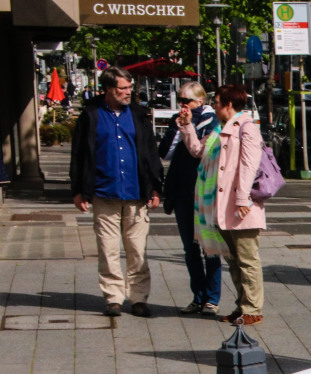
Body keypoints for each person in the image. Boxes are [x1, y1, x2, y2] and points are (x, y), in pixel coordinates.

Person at [69, 66, 164, 318]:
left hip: (136, 192)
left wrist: (155, 186)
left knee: (137, 249)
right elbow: (79, 153)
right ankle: (113, 297)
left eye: (130, 88)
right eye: (123, 88)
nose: (128, 93)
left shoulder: (139, 114)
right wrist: (78, 190)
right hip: (104, 192)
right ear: (109, 89)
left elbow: (150, 152)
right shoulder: (92, 115)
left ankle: (138, 298)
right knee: (108, 248)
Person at [178, 84, 266, 326]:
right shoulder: (219, 130)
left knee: (247, 259)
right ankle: (242, 306)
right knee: (234, 260)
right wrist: (186, 126)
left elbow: (249, 165)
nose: (213, 105)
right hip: (222, 207)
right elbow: (197, 151)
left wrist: (242, 199)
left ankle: (253, 309)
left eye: (216, 101)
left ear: (228, 103)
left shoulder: (247, 128)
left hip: (241, 206)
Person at [158, 82, 221, 316]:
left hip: (205, 193)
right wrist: (178, 127)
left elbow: (200, 152)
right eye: (180, 101)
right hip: (183, 191)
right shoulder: (179, 120)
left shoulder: (212, 123)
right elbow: (165, 152)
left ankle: (211, 299)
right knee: (190, 249)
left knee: (210, 248)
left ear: (200, 102)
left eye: (187, 101)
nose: (182, 106)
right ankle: (198, 296)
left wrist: (189, 125)